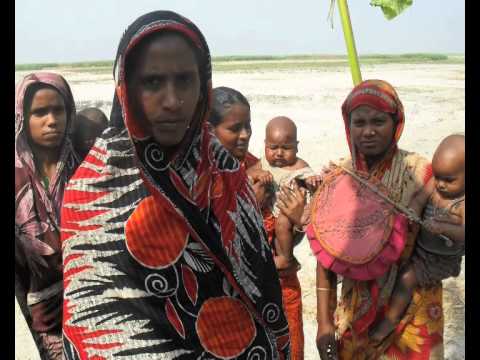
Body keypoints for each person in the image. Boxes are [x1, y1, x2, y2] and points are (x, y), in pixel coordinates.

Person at [60, 11, 290, 359]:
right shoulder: (92, 191)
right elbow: (95, 326)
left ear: (204, 85)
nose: (171, 100)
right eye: (152, 82)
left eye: (184, 80)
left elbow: (260, 283)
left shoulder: (224, 171)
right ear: (126, 87)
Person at [307, 79, 445, 359]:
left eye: (378, 121)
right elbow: (327, 255)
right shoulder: (339, 178)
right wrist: (323, 324)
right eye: (359, 122)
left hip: (414, 311)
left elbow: (440, 246)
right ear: (348, 125)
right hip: (354, 314)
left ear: (396, 123)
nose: (368, 131)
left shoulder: (421, 173)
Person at [208, 91, 309, 359]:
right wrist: (247, 204)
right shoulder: (200, 177)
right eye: (234, 128)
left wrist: (297, 222)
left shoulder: (261, 168)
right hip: (231, 296)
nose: (244, 135)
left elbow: (282, 235)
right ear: (209, 129)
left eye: (248, 126)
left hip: (279, 287)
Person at [369, 134, 465, 344]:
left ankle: (391, 319)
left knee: (407, 277)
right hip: (420, 246)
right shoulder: (436, 183)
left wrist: (442, 227)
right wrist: (412, 211)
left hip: (440, 259)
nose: (440, 184)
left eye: (449, 180)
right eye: (438, 176)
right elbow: (420, 198)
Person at [15, 72, 79, 359]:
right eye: (39, 112)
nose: (51, 120)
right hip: (44, 321)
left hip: (92, 308)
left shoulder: (86, 163)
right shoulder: (16, 177)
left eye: (58, 110)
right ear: (22, 117)